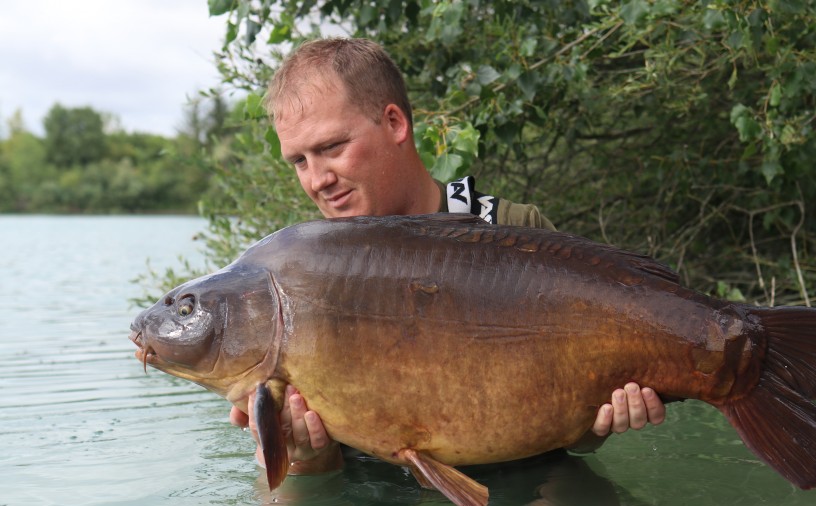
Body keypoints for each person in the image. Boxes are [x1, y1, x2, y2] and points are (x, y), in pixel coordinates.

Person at [230, 37, 666, 476]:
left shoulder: (515, 234)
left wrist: (603, 423)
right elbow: (296, 500)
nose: (317, 180)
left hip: (522, 495)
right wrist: (307, 455)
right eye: (299, 161)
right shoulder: (293, 280)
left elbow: (581, 438)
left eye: (331, 148)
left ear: (395, 123)